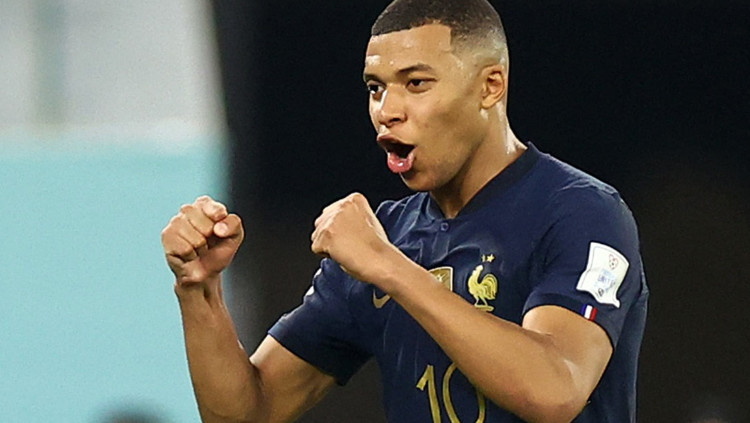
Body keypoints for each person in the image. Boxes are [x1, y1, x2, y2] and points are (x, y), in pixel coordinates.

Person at [160, 0, 648, 422]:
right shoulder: (386, 236)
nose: (387, 110)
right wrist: (199, 289)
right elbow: (249, 411)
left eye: (416, 83)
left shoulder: (581, 212)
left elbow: (555, 389)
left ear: (490, 86)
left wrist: (389, 267)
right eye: (376, 88)